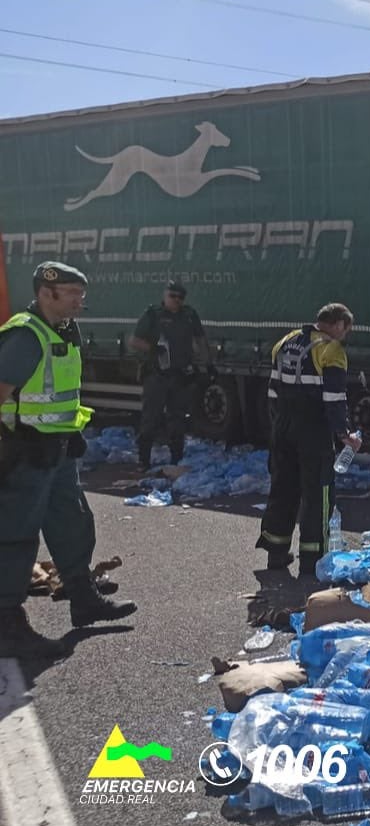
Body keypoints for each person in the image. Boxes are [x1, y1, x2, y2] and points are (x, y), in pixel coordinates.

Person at [0, 262, 137, 659]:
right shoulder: (26, 335)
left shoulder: (62, 330)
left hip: (56, 449)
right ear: (47, 293)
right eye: (73, 293)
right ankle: (7, 621)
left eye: (81, 293)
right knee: (16, 533)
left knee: (73, 520)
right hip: (26, 452)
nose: (81, 300)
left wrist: (68, 431)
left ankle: (83, 598)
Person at [256, 303, 359, 574]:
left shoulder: (286, 342)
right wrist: (344, 435)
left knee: (283, 488)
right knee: (318, 492)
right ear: (338, 324)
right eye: (346, 329)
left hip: (283, 426)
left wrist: (278, 426)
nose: (345, 336)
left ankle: (276, 553)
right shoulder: (330, 350)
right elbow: (334, 399)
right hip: (313, 429)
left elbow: (273, 392)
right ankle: (313, 559)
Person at [130, 279, 211, 470]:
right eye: (172, 296)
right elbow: (134, 340)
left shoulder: (189, 315)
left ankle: (176, 459)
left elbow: (200, 339)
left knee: (178, 420)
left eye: (180, 297)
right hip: (157, 375)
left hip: (181, 376)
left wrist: (207, 364)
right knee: (151, 419)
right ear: (164, 296)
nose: (176, 300)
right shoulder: (153, 315)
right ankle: (143, 460)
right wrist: (153, 349)